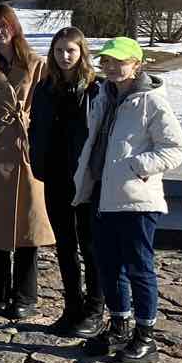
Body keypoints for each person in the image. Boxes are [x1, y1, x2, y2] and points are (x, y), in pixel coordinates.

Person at [73, 37, 182, 363]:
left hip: (136, 199)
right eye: (106, 61)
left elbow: (175, 148)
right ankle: (119, 326)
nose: (110, 67)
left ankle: (145, 335)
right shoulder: (102, 97)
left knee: (139, 268)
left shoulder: (151, 101)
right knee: (108, 266)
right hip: (101, 195)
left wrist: (136, 167)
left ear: (136, 64)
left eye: (118, 61)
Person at [0, 4, 53, 319]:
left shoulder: (33, 64)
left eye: (3, 26)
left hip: (23, 148)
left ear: (14, 27)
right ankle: (0, 293)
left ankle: (25, 296)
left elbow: (43, 106)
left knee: (28, 224)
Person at [29, 27, 106, 337]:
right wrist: (36, 159)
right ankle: (72, 305)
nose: (64, 57)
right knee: (64, 245)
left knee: (89, 245)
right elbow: (35, 126)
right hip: (54, 173)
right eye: (59, 50)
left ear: (81, 53)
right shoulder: (45, 87)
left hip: (83, 177)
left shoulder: (94, 89)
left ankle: (95, 308)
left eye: (70, 51)